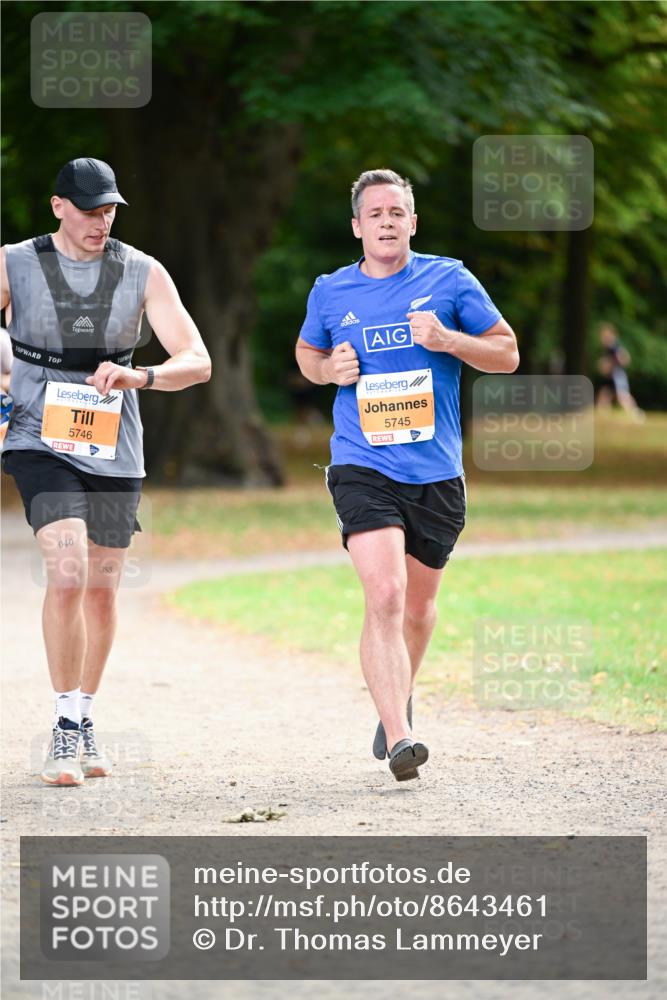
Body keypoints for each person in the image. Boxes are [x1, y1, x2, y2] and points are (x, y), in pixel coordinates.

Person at [295, 169, 518, 782]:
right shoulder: (331, 290)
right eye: (375, 213)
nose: (387, 222)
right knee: (386, 595)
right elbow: (307, 354)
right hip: (362, 462)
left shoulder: (449, 279)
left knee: (418, 609)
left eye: (398, 212)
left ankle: (397, 693)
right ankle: (400, 738)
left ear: (412, 223)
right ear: (357, 226)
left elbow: (507, 352)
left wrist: (448, 339)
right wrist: (328, 369)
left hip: (437, 471)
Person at [1, 157, 211, 786]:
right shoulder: (13, 261)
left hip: (114, 440)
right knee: (66, 570)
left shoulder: (141, 271)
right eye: (89, 209)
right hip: (39, 434)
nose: (102, 221)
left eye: (110, 209)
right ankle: (64, 728)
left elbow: (196, 359)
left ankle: (86, 714)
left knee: (101, 588)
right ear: (57, 205)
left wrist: (141, 374)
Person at [595, 322, 644, 420]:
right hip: (611, 376)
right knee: (604, 395)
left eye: (605, 335)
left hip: (617, 375)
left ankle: (637, 414)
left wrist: (610, 365)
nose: (603, 338)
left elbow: (624, 358)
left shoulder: (614, 347)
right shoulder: (608, 348)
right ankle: (603, 418)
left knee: (623, 397)